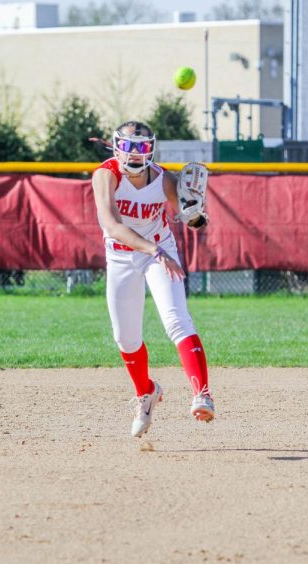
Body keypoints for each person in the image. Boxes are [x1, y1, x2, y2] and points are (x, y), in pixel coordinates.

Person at [91, 120, 214, 437]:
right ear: (117, 146)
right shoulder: (106, 175)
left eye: (142, 147)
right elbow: (112, 227)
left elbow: (195, 223)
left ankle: (202, 394)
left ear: (151, 149)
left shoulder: (163, 180)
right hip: (124, 254)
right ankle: (146, 393)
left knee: (177, 320)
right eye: (130, 146)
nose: (135, 153)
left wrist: (194, 211)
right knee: (126, 338)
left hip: (159, 252)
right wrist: (154, 250)